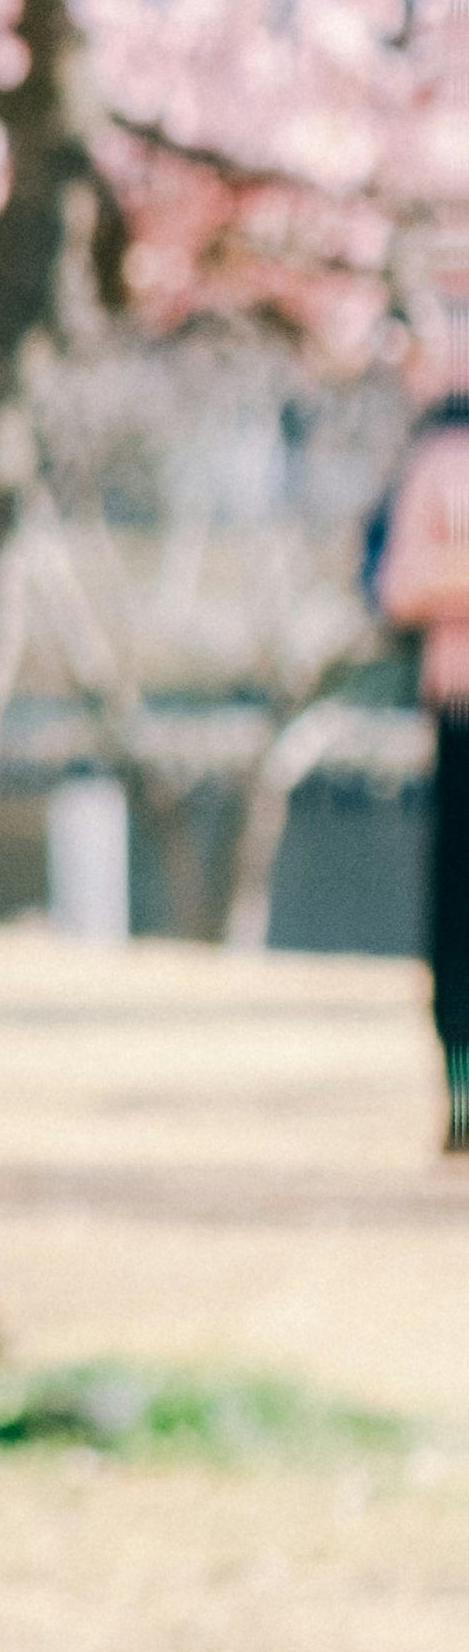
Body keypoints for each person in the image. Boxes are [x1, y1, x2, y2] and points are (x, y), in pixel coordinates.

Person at [366, 368, 469, 1156]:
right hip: (461, 710)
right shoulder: (443, 457)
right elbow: (399, 585)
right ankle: (461, 1085)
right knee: (458, 904)